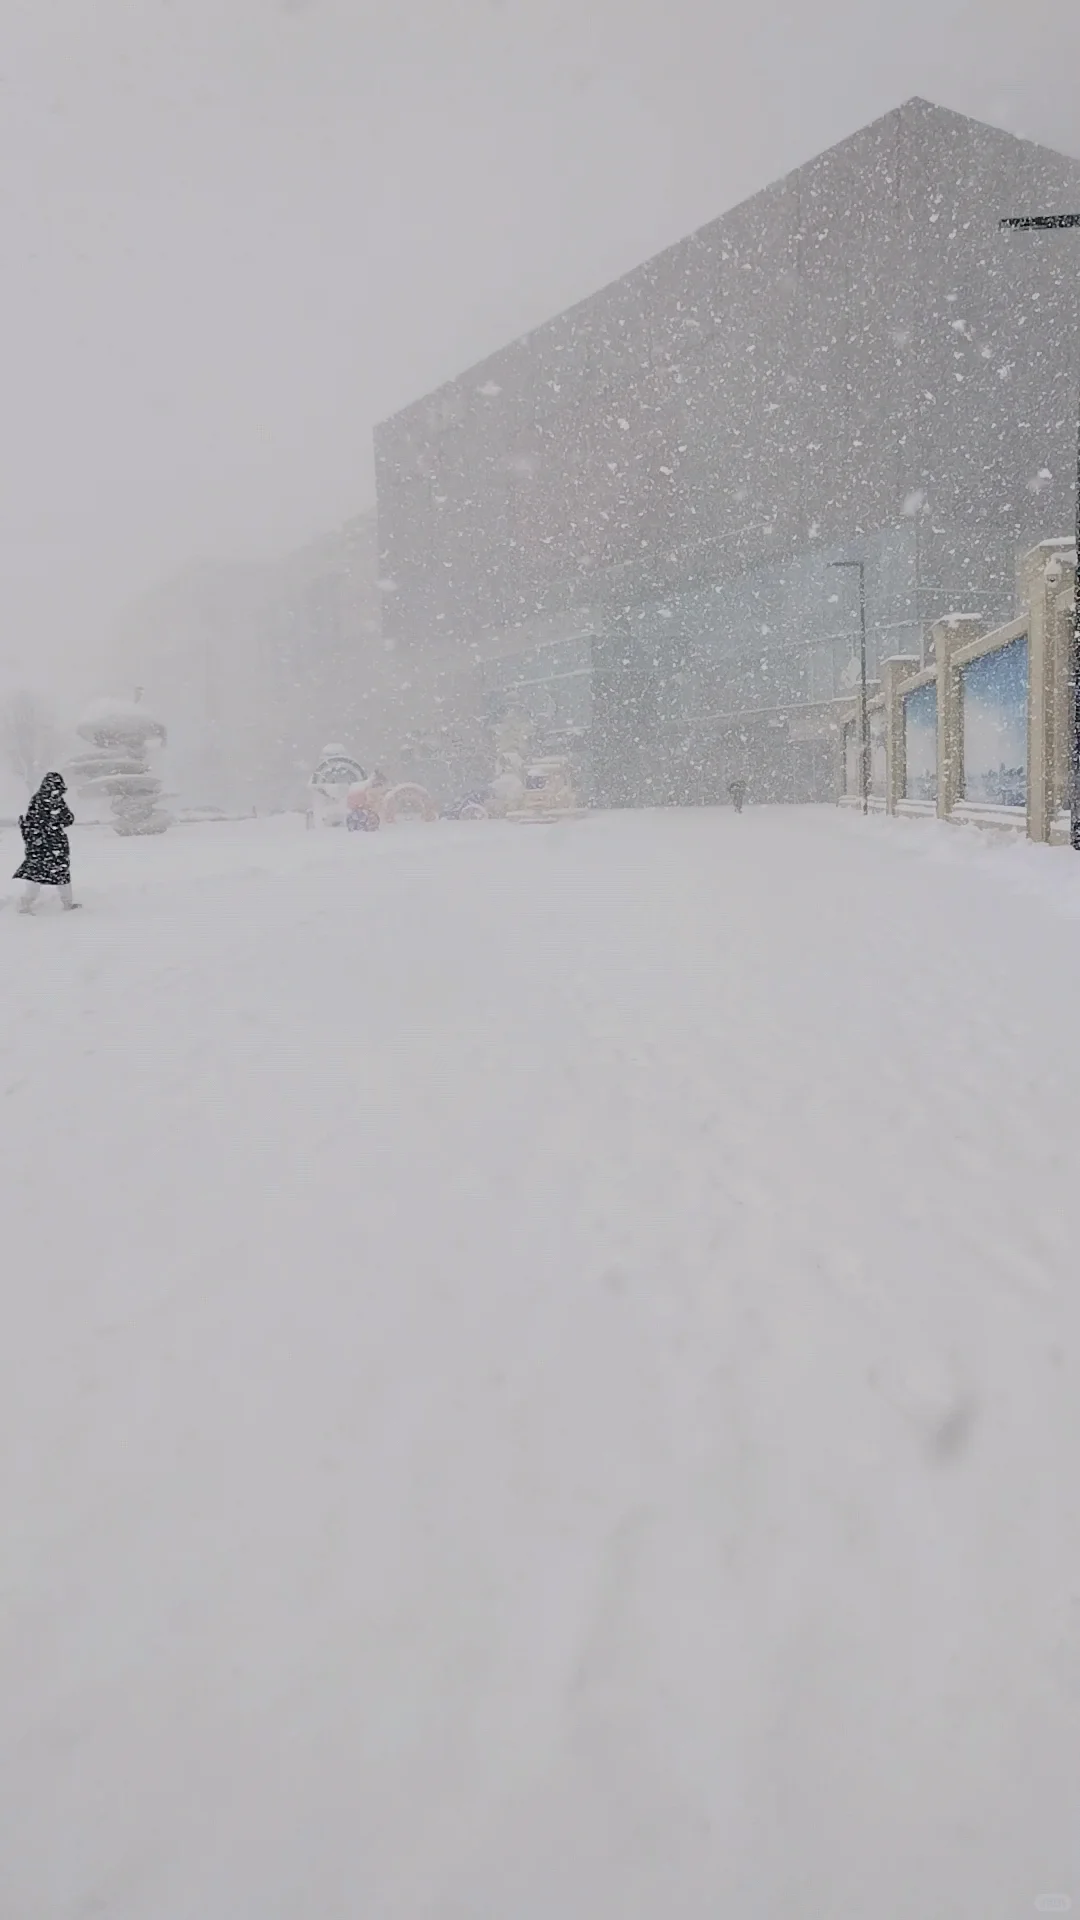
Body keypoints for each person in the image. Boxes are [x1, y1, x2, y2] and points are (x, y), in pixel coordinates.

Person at [14, 771, 80, 912]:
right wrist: (54, 824)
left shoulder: (44, 800)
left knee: (43, 874)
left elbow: (67, 819)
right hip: (47, 845)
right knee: (52, 874)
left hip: (47, 845)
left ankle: (29, 903)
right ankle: (27, 904)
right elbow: (66, 819)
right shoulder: (46, 801)